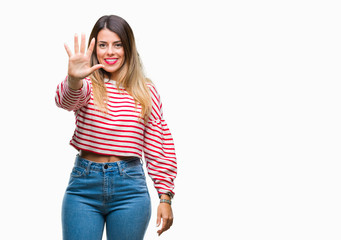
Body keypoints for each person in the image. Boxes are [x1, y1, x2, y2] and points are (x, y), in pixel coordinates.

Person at [55, 15, 177, 240]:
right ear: (95, 49)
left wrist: (165, 196)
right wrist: (73, 79)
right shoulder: (87, 84)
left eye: (117, 44)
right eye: (103, 45)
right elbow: (66, 101)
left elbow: (158, 144)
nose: (110, 51)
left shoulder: (146, 91)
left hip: (130, 190)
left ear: (128, 47)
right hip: (83, 187)